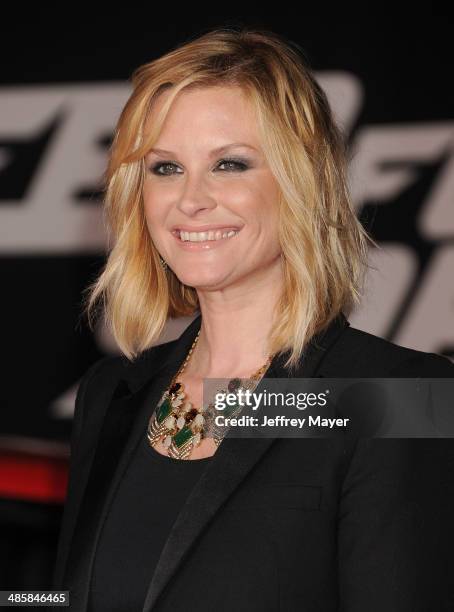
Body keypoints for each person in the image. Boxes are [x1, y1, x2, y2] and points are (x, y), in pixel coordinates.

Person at [51, 27, 454, 612]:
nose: (190, 199)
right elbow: (65, 599)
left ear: (300, 183)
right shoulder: (113, 392)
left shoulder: (400, 397)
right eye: (165, 168)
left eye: (229, 164)